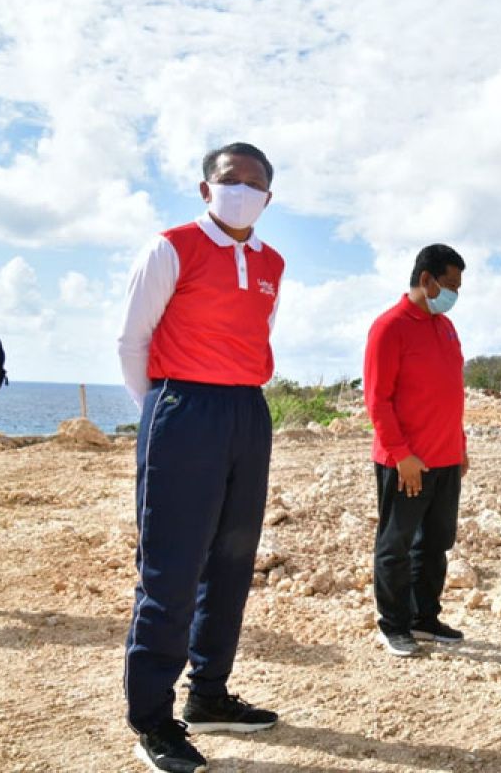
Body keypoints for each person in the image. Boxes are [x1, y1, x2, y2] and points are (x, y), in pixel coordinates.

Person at [118, 142, 284, 772]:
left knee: (232, 561)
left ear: (269, 198)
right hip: (182, 408)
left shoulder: (273, 261)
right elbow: (132, 341)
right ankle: (152, 719)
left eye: (255, 183)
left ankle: (209, 694)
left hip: (247, 410)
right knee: (171, 570)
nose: (242, 189)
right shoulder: (170, 247)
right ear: (204, 187)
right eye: (229, 179)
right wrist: (163, 413)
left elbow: (258, 331)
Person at [364, 244, 469, 659]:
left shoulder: (445, 327)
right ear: (427, 281)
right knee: (396, 544)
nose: (455, 294)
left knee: (436, 542)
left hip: (445, 458)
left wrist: (459, 445)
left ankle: (424, 617)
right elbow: (378, 399)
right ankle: (393, 624)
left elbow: (450, 392)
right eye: (451, 285)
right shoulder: (389, 327)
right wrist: (401, 454)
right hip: (406, 461)